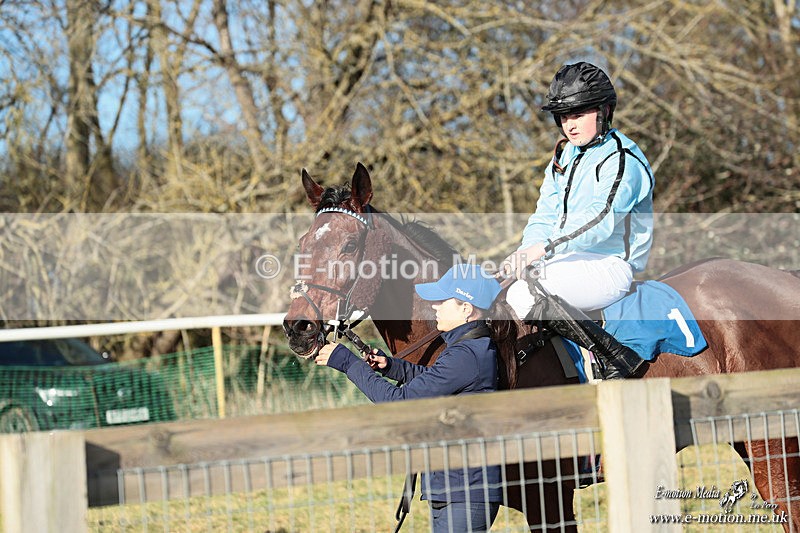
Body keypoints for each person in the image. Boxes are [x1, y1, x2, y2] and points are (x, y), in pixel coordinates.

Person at [315, 264, 514, 532]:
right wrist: (392, 367)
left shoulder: (466, 354)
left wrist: (348, 362)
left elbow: (400, 402)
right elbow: (436, 379)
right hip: (452, 487)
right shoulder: (466, 348)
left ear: (466, 309)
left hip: (464, 491)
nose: (434, 307)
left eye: (442, 301)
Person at [502, 61, 655, 379]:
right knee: (499, 292)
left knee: (522, 295)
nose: (569, 125)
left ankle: (616, 358)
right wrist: (526, 249)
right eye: (563, 117)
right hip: (564, 260)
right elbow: (544, 213)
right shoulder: (563, 157)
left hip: (610, 266)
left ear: (604, 111)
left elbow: (600, 219)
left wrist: (542, 249)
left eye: (578, 114)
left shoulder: (623, 160)